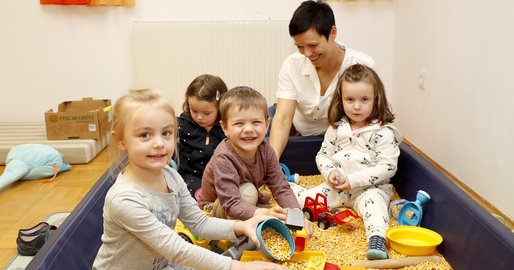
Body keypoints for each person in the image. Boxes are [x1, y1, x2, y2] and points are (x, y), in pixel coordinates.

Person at [92, 89, 286, 270]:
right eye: (145, 135)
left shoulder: (170, 176)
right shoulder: (125, 199)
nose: (159, 143)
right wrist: (239, 267)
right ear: (121, 140)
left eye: (166, 133)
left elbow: (199, 223)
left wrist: (242, 225)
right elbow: (177, 249)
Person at [289, 64, 402, 260]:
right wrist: (330, 172)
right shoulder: (336, 129)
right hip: (337, 187)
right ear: (341, 100)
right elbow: (323, 155)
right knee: (303, 198)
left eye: (364, 100)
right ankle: (288, 190)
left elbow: (388, 166)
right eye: (350, 99)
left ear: (376, 99)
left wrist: (354, 180)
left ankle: (377, 240)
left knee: (374, 208)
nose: (356, 106)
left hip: (369, 189)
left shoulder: (383, 132)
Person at [268, 0, 375, 159]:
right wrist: (272, 165)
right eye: (300, 47)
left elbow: (367, 120)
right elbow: (283, 119)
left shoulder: (363, 65)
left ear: (333, 32)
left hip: (336, 138)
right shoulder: (292, 65)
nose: (307, 53)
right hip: (295, 128)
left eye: (313, 45)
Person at [197, 86, 301, 221]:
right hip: (215, 206)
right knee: (249, 192)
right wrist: (261, 213)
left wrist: (296, 215)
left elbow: (280, 186)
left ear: (267, 124)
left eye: (256, 122)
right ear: (225, 128)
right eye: (239, 123)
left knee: (278, 210)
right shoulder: (224, 158)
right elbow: (231, 203)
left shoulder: (266, 150)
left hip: (245, 198)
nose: (248, 129)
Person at [177, 74, 228, 197]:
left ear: (220, 108)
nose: (199, 117)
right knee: (187, 190)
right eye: (194, 110)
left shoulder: (226, 128)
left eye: (206, 113)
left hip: (221, 176)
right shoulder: (182, 125)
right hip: (190, 177)